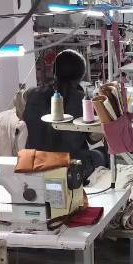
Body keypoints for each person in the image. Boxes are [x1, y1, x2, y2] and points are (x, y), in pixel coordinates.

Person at [22, 49, 108, 180]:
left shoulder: (32, 93)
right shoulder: (83, 100)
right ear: (81, 75)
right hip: (67, 167)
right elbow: (92, 138)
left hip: (31, 163)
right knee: (104, 153)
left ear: (54, 71)